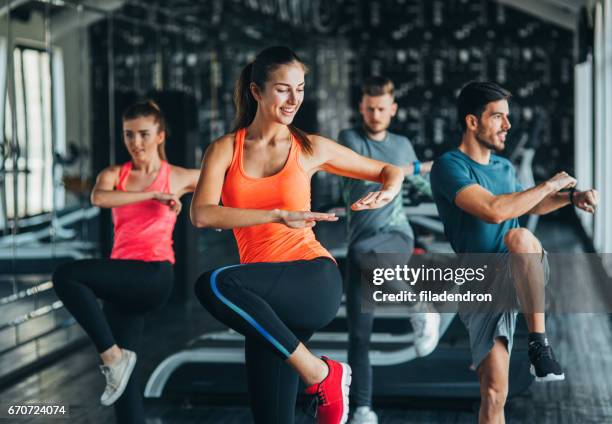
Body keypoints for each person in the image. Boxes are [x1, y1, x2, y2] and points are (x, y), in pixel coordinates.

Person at [190, 46, 404, 424]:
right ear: (256, 91)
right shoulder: (224, 150)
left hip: (311, 278)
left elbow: (390, 170)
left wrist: (387, 191)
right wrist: (275, 214)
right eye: (283, 89)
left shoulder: (309, 147)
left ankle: (323, 374)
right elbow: (203, 214)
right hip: (264, 300)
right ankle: (318, 373)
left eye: (300, 88)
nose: (294, 100)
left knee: (214, 284)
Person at [430, 81, 599, 423]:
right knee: (494, 392)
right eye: (498, 117)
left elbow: (529, 205)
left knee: (520, 237)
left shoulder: (504, 168)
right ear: (472, 122)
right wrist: (551, 185)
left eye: (508, 117)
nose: (508, 125)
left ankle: (539, 343)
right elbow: (493, 209)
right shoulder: (449, 166)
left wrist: (570, 198)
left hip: (520, 265)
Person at [52, 100, 200, 424]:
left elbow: (225, 180)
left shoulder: (177, 176)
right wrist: (151, 196)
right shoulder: (114, 175)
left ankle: (113, 357)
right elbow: (99, 198)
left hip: (154, 275)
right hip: (123, 280)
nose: (136, 143)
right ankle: (116, 361)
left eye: (144, 134)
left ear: (161, 136)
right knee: (123, 386)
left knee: (67, 275)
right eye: (129, 135)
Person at [338, 76, 440, 424]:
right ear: (361, 108)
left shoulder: (401, 144)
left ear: (393, 109)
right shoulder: (349, 139)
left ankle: (419, 305)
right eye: (370, 108)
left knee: (362, 256)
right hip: (361, 243)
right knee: (358, 333)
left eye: (382, 108)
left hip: (395, 235)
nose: (376, 114)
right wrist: (409, 168)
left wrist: (460, 191)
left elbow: (424, 185)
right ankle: (363, 409)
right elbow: (369, 176)